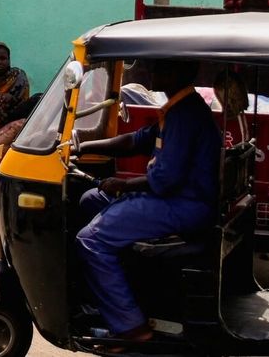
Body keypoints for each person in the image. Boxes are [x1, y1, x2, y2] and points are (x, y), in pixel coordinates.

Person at [74, 59, 221, 345]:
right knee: (91, 200)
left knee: (89, 240)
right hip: (176, 198)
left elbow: (165, 180)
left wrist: (124, 185)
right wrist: (80, 146)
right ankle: (117, 291)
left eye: (162, 68)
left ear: (181, 73)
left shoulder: (185, 114)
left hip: (185, 205)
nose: (153, 73)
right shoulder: (177, 109)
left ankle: (131, 327)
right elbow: (135, 141)